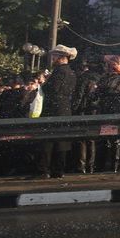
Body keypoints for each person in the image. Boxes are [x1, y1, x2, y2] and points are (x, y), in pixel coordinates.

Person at [37, 45, 79, 179]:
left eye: (55, 56)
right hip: (65, 109)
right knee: (62, 141)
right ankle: (59, 169)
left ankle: (45, 170)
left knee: (48, 141)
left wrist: (44, 84)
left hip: (53, 109)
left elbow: (52, 89)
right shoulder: (72, 73)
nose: (53, 58)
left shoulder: (59, 72)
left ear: (61, 58)